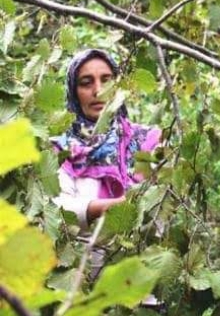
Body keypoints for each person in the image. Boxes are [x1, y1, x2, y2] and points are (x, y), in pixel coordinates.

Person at [52, 49, 161, 230]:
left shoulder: (148, 141)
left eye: (107, 81)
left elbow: (160, 206)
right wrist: (120, 206)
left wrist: (94, 209)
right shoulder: (61, 150)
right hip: (82, 256)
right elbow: (60, 214)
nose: (98, 91)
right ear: (73, 92)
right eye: (86, 83)